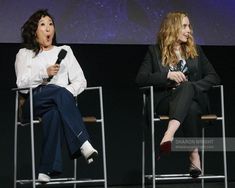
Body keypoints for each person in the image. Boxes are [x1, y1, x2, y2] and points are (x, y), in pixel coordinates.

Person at [15, 9, 98, 183]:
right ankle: (83, 142)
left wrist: (65, 94)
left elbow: (80, 81)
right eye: (42, 25)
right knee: (56, 92)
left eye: (50, 24)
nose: (48, 29)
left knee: (54, 111)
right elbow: (21, 84)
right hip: (33, 101)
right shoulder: (25, 54)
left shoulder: (65, 51)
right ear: (34, 31)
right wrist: (44, 74)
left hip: (58, 104)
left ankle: (45, 170)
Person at [136, 11, 220, 178]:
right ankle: (194, 155)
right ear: (172, 28)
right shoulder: (155, 51)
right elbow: (140, 79)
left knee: (189, 94)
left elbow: (213, 77)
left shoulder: (195, 51)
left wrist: (191, 87)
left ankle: (169, 135)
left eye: (189, 26)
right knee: (192, 107)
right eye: (184, 26)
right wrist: (167, 76)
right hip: (166, 101)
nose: (189, 30)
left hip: (194, 96)